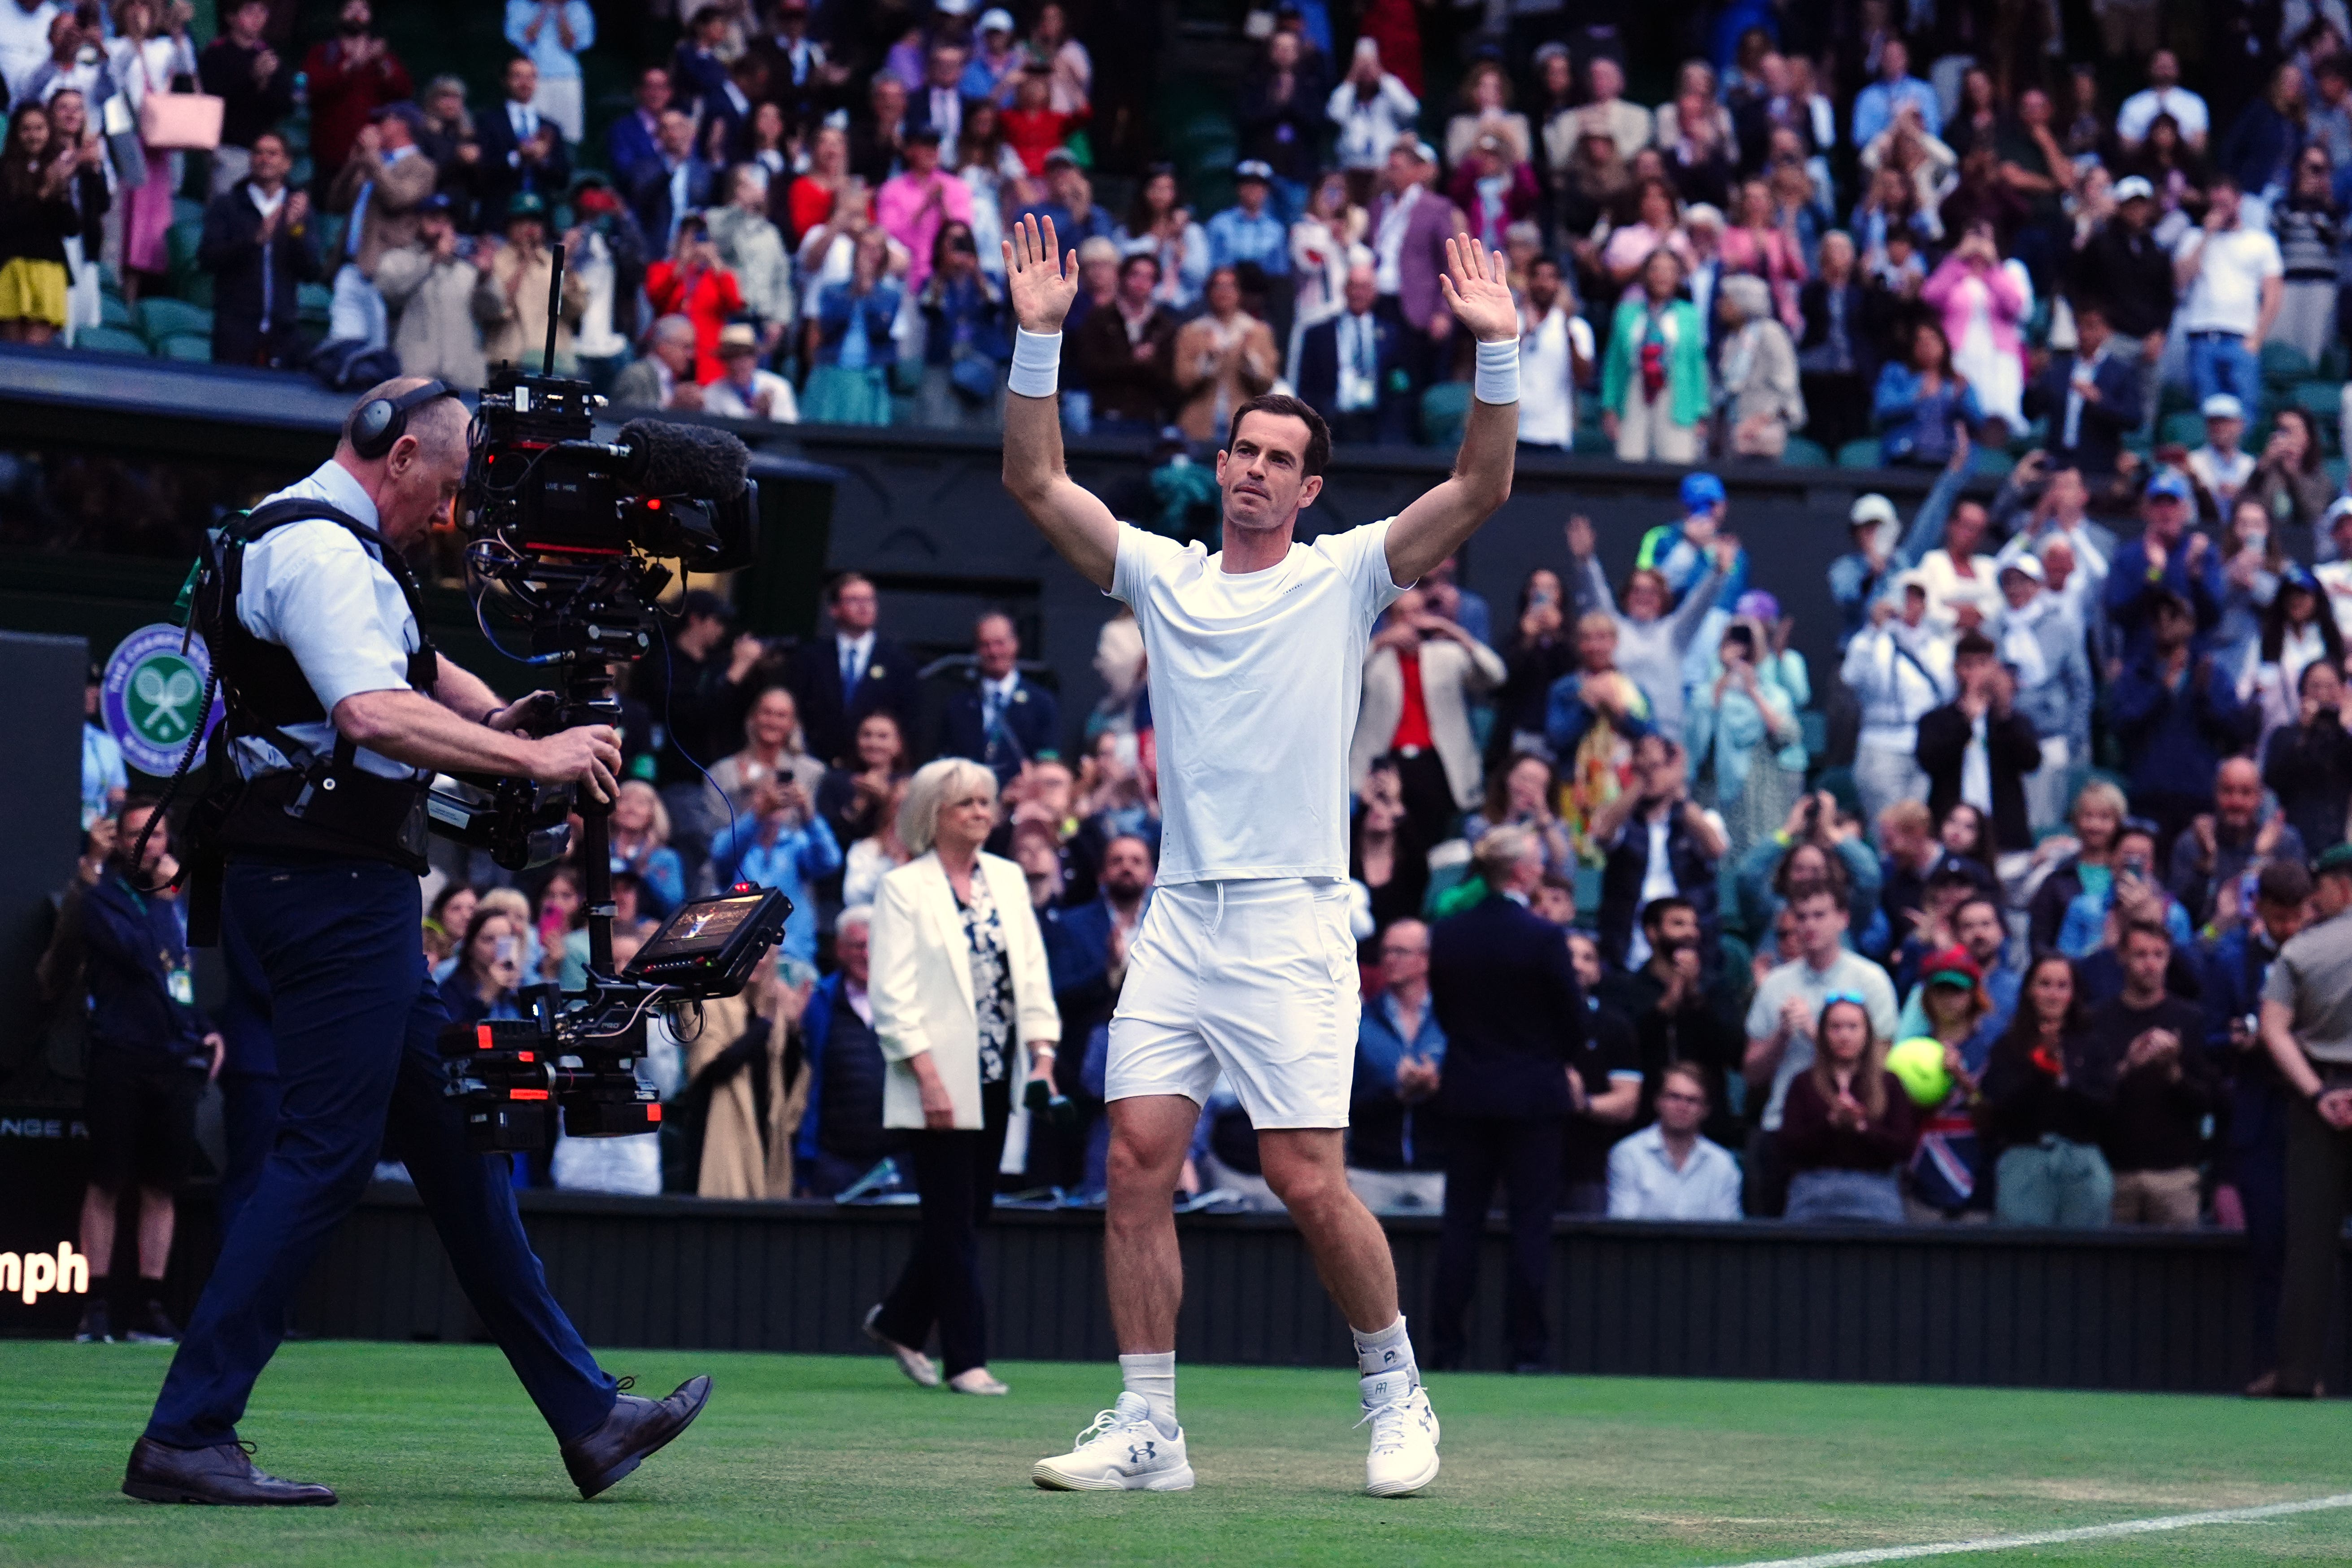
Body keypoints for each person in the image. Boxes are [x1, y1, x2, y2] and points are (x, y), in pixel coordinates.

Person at [1002, 212, 1523, 1496]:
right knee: (1133, 1160)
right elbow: (1033, 483)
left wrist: (1495, 353)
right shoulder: (1166, 577)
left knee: (1303, 1177)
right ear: (1221, 463)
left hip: (1294, 919)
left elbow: (1479, 490)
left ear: (1306, 490)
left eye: (1279, 459)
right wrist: (1036, 337)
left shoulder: (1346, 574)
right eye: (1240, 449)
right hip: (1180, 916)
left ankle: (1397, 1393)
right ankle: (1148, 1430)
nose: (1251, 470)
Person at [126, 380, 706, 1506]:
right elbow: (371, 714)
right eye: (442, 489)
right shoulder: (328, 555)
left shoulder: (320, 541)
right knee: (324, 1154)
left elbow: (422, 678)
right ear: (397, 461)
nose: (447, 515)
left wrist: (505, 721)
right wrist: (535, 761)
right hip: (329, 885)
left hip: (333, 884)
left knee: (456, 1144)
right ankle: (187, 1430)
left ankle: (588, 1415)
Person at [865, 758, 1060, 1396]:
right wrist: (927, 1076)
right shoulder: (903, 889)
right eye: (966, 804)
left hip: (998, 1072)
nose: (983, 812)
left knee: (970, 1214)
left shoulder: (1007, 879)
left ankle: (898, 1320)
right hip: (936, 1074)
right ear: (934, 815)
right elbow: (892, 996)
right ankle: (967, 1359)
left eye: (986, 801)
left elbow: (1030, 971)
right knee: (951, 1220)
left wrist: (1044, 1054)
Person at [1422, 828, 1583, 1369]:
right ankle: (1529, 1353)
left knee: (1460, 1223)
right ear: (1520, 872)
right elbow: (1575, 1023)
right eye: (1537, 861)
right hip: (1534, 1098)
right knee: (1529, 1226)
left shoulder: (1447, 935)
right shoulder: (1544, 938)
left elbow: (1445, 1014)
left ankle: (1447, 1349)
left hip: (1468, 1091)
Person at [74, 799, 222, 1347]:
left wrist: (205, 1028)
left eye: (157, 835)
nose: (149, 845)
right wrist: (163, 899)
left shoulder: (178, 907)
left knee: (163, 1184)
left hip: (173, 1059)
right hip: (119, 1054)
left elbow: (178, 979)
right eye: (137, 835)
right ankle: (94, 1307)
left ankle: (150, 1306)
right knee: (108, 1178)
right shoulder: (105, 900)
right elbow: (142, 956)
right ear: (121, 843)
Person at [1742, 881, 1900, 1216]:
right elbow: (1752, 1073)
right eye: (1801, 917)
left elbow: (1883, 1065)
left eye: (1820, 915)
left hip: (1858, 1129)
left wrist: (1819, 1034)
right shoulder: (1776, 983)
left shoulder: (1871, 979)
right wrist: (1782, 1035)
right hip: (1785, 1127)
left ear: (1842, 919)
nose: (1810, 925)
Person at [1350, 586, 1506, 851]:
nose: (1412, 620)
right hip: (1386, 761)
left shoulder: (1447, 654)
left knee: (1429, 839)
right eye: (1403, 614)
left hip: (1436, 760)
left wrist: (1456, 633)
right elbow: (1341, 675)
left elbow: (1496, 676)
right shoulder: (1377, 657)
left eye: (1418, 612)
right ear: (1390, 618)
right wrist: (1379, 641)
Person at [2108, 589, 2258, 855]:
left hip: (2198, 794)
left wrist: (2202, 698)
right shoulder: (2136, 674)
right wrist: (2162, 694)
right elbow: (2122, 728)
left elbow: (2234, 733)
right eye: (2157, 616)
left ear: (2190, 624)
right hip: (2149, 794)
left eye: (2174, 614)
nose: (2165, 621)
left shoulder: (2211, 673)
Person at [2089, 921, 2218, 1226]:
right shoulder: (2097, 1020)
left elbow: (2209, 1101)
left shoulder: (2191, 1020)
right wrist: (2127, 1067)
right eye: (2141, 955)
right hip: (2113, 1172)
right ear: (2122, 957)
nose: (2151, 964)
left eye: (2159, 955)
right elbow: (2087, 1100)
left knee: (2178, 1272)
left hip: (2175, 1175)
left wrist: (2173, 1071)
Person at [1977, 953, 2112, 1225]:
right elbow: (2000, 1108)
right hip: (2025, 1161)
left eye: (2062, 986)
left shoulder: (2093, 1044)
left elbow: (2107, 1109)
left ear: (2074, 993)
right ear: (2029, 990)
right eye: (2045, 984)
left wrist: (2064, 1079)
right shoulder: (2008, 1046)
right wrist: (2040, 1073)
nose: (2053, 994)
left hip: (2083, 1165)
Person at [198, 130, 321, 370]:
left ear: (287, 163)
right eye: (258, 153)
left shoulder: (298, 209)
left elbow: (310, 270)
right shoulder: (229, 205)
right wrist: (255, 239)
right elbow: (208, 259)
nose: (264, 159)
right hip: (235, 328)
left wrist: (296, 231)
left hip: (282, 329)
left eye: (273, 154)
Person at [1348, 917, 1447, 1212]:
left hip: (1439, 1170)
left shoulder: (1451, 1020)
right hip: (1371, 1171)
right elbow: (1344, 1095)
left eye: (1400, 952)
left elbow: (1476, 1089)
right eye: (1386, 952)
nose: (1390, 960)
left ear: (1426, 959)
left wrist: (1436, 1087)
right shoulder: (1360, 1020)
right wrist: (1396, 1093)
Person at [1916, 631, 2041, 861]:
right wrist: (1966, 724)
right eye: (1968, 665)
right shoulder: (1935, 720)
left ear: (1994, 668)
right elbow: (1929, 761)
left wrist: (2004, 715)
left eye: (1983, 664)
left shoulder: (2011, 719)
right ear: (1956, 669)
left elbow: (2031, 762)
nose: (1975, 673)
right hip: (1950, 827)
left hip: (2003, 828)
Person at [790, 572, 921, 768]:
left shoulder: (898, 662)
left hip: (875, 773)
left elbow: (910, 724)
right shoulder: (811, 658)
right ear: (834, 609)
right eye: (854, 600)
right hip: (816, 766)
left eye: (869, 600)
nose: (864, 607)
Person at [2174, 175, 2282, 411]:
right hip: (2202, 336)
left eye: (2225, 204)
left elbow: (2273, 294)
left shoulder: (2261, 242)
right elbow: (2180, 280)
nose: (2219, 211)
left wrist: (2257, 338)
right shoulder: (2193, 238)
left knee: (2245, 410)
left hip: (2241, 338)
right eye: (2215, 205)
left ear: (2239, 202)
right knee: (2206, 410)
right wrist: (2206, 236)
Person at [1600, 248, 1708, 462]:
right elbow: (1614, 363)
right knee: (1629, 462)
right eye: (1656, 270)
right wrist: (1609, 407)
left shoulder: (1689, 315)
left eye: (1670, 271)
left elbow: (1697, 364)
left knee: (1676, 464)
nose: (1662, 276)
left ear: (1678, 277)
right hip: (1634, 391)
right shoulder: (1626, 312)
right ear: (1645, 275)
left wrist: (1701, 412)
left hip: (1676, 394)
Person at [374, 194, 488, 387]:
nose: (442, 228)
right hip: (414, 377)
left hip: (464, 380)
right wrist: (433, 258)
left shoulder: (467, 269)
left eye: (447, 221)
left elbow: (492, 311)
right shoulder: (396, 260)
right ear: (418, 223)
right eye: (434, 220)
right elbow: (390, 292)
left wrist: (486, 279)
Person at [1295, 259, 1412, 446]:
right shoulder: (1319, 334)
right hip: (1332, 424)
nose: (1359, 294)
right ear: (1345, 290)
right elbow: (1306, 387)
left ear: (1375, 292)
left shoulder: (1392, 335)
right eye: (1354, 286)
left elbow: (1400, 385)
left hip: (1377, 427)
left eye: (1365, 287)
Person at [1607, 1062, 1742, 1220]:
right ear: (1658, 1102)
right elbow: (1623, 1225)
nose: (1682, 1107)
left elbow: (1727, 1233)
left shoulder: (1723, 1165)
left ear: (1706, 1110)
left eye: (1692, 1100)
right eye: (1674, 1097)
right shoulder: (1628, 1154)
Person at [937, 611, 1060, 784]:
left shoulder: (1041, 702)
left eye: (1000, 643)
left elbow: (1049, 758)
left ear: (1015, 644)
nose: (993, 652)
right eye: (985, 645)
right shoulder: (958, 706)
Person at [302, 0, 410, 189]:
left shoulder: (383, 58)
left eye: (364, 8)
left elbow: (404, 92)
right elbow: (310, 89)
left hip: (373, 158)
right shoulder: (323, 53)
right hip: (328, 157)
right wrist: (349, 66)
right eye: (351, 8)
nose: (358, 13)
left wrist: (382, 63)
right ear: (340, 15)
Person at [1169, 265, 1279, 444]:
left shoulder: (1258, 332)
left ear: (1239, 292)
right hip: (1199, 425)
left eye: (1230, 286)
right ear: (1209, 292)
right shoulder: (1191, 332)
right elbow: (1182, 381)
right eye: (1218, 286)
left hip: (1243, 424)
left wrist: (1248, 358)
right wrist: (1208, 360)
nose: (1224, 292)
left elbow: (1267, 381)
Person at [475, 192, 583, 371]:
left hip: (552, 365)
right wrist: (523, 264)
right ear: (509, 226)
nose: (529, 229)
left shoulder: (555, 263)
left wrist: (567, 268)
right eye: (521, 222)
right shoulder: (495, 262)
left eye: (535, 222)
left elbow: (576, 310)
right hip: (508, 365)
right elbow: (495, 310)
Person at [197, 0, 293, 199]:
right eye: (249, 11)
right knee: (225, 217)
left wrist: (266, 83)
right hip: (228, 151)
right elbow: (211, 100)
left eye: (263, 11)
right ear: (232, 18)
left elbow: (286, 107)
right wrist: (251, 78)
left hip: (263, 153)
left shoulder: (269, 56)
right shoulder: (217, 53)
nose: (257, 17)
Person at [0, 101, 76, 344]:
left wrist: (60, 193)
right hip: (10, 268)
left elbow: (72, 228)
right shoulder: (4, 171)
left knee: (36, 355)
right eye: (26, 129)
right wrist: (42, 194)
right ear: (16, 133)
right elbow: (7, 223)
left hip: (48, 270)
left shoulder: (58, 169)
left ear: (49, 131)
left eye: (39, 128)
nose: (33, 136)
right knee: (10, 356)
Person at [472, 56, 571, 231]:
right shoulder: (488, 121)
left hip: (540, 220)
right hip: (500, 217)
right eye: (518, 76)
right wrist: (517, 156)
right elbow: (482, 170)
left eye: (531, 77)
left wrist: (543, 160)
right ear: (505, 81)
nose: (525, 83)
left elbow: (563, 178)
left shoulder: (551, 127)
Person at [502, 0, 592, 148]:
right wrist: (545, 7)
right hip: (532, 76)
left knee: (568, 135)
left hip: (566, 78)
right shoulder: (519, 5)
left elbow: (570, 43)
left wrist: (560, 10)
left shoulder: (577, 7)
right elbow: (526, 38)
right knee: (532, 130)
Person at [702, 320, 800, 423]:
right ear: (724, 361)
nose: (738, 363)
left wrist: (768, 415)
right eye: (732, 356)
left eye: (745, 355)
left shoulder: (779, 388)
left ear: (755, 358)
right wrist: (757, 416)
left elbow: (790, 432)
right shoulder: (712, 394)